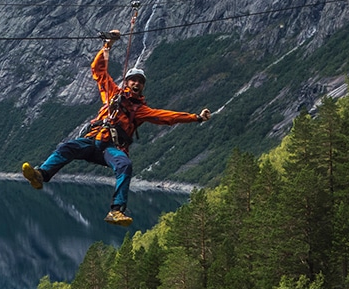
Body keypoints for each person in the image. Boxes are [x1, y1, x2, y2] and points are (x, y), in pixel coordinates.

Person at [20, 30, 210, 225]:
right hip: (91, 141)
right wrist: (107, 45)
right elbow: (98, 70)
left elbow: (168, 117)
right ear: (126, 82)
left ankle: (117, 210)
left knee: (125, 165)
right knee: (66, 147)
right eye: (133, 80)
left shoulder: (141, 110)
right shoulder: (112, 94)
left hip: (111, 149)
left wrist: (196, 118)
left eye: (140, 82)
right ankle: (40, 175)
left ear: (142, 87)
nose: (136, 83)